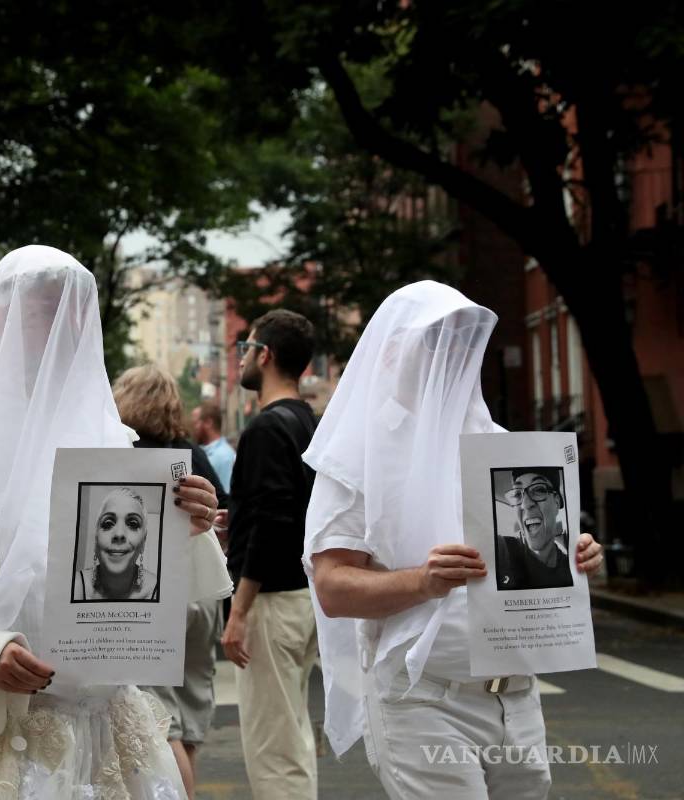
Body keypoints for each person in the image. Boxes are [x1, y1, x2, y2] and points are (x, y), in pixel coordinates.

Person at [0, 245, 223, 799]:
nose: (62, 327)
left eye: (74, 312)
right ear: (3, 318)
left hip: (101, 721)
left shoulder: (113, 439)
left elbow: (144, 575)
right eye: (44, 310)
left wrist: (185, 521)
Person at [304, 281, 605, 800]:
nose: (453, 354)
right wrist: (423, 581)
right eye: (436, 341)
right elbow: (331, 587)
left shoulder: (506, 448)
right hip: (425, 700)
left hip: (517, 695)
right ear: (393, 351)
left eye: (466, 341)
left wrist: (573, 558)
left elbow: (534, 563)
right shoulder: (360, 460)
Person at [111, 362, 232, 800]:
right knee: (189, 718)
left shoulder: (120, 452)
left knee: (162, 725)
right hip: (203, 594)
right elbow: (222, 513)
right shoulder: (190, 453)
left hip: (156, 592)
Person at [220, 309, 320, 800]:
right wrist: (234, 522)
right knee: (291, 738)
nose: (241, 360)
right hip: (306, 598)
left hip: (272, 602)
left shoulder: (264, 430)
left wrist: (239, 610)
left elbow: (273, 522)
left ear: (266, 355)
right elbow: (289, 512)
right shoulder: (311, 423)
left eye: (246, 349)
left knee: (274, 751)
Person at [73, 487, 160, 601]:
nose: (119, 534)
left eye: (133, 524)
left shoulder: (159, 589)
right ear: (96, 538)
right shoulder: (75, 586)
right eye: (108, 524)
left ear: (143, 541)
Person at [495, 468, 573, 590]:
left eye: (539, 490)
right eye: (517, 494)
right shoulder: (501, 550)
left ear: (557, 502)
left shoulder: (570, 566)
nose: (525, 504)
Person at [192, 401, 236, 494]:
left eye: (195, 423)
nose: (193, 428)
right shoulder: (204, 452)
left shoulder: (224, 456)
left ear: (208, 423)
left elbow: (225, 497)